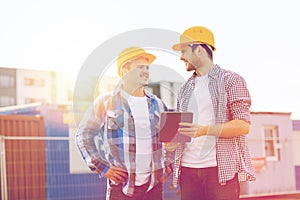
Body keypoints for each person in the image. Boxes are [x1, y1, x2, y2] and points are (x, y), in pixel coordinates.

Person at [168, 26, 256, 200]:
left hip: (219, 172)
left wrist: (204, 130)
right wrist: (172, 142)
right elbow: (184, 130)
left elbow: (243, 125)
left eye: (184, 51)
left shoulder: (231, 81)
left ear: (199, 50)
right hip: (188, 170)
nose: (181, 57)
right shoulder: (185, 89)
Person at [75, 47, 171, 200]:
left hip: (154, 188)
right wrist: (102, 167)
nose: (146, 71)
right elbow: (83, 135)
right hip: (120, 189)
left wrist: (168, 166)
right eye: (140, 67)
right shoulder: (105, 102)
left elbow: (173, 139)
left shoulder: (158, 104)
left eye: (147, 67)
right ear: (125, 69)